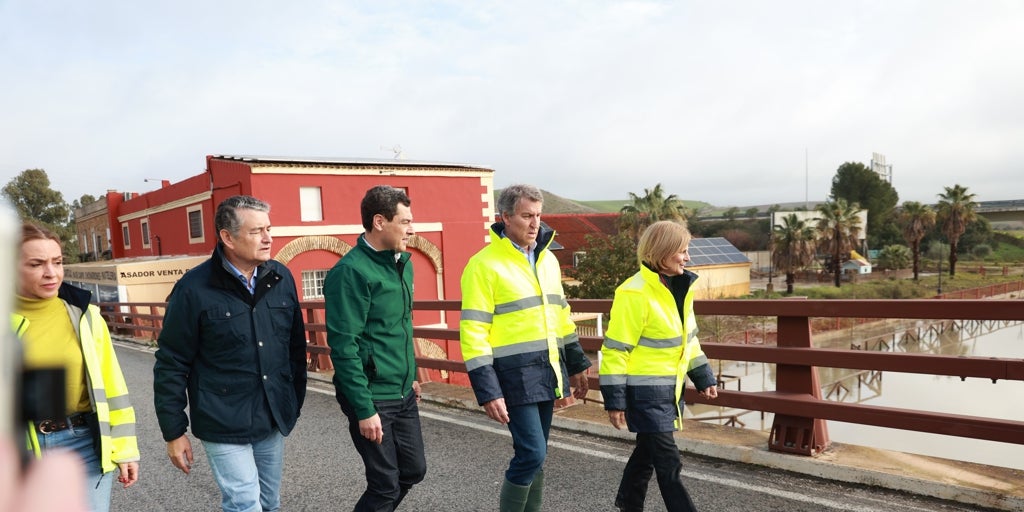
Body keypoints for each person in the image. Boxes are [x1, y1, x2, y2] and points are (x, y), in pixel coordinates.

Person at [154, 195, 307, 512]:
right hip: (222, 419)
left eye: (268, 228)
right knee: (243, 502)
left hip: (271, 415)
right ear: (227, 237)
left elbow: (295, 347)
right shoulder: (193, 289)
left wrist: (291, 401)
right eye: (256, 231)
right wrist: (174, 432)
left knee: (269, 502)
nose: (268, 238)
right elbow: (171, 362)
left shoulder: (281, 278)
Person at [459, 184, 591, 512]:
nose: (535, 223)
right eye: (526, 215)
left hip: (546, 369)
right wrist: (488, 390)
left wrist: (575, 364)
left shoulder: (547, 261)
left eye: (538, 215)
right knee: (532, 453)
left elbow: (561, 317)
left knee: (538, 455)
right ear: (505, 217)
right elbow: (474, 331)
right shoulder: (483, 265)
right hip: (512, 375)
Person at [13, 222, 140, 512]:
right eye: (36, 264)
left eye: (57, 262)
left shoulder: (86, 315)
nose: (51, 273)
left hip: (81, 443)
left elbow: (113, 387)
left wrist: (124, 450)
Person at [599, 220, 718, 512]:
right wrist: (615, 401)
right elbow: (615, 350)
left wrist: (703, 377)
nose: (687, 257)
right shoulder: (634, 292)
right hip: (644, 394)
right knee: (669, 462)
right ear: (662, 252)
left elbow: (689, 341)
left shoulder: (681, 289)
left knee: (647, 456)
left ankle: (628, 504)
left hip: (669, 390)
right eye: (682, 251)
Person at [324, 185, 426, 511]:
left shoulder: (402, 263)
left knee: (413, 470)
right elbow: (344, 346)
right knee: (384, 485)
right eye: (405, 221)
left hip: (402, 390)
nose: (412, 228)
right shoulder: (351, 272)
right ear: (380, 221)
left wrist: (411, 374)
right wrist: (365, 409)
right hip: (371, 394)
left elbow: (401, 327)